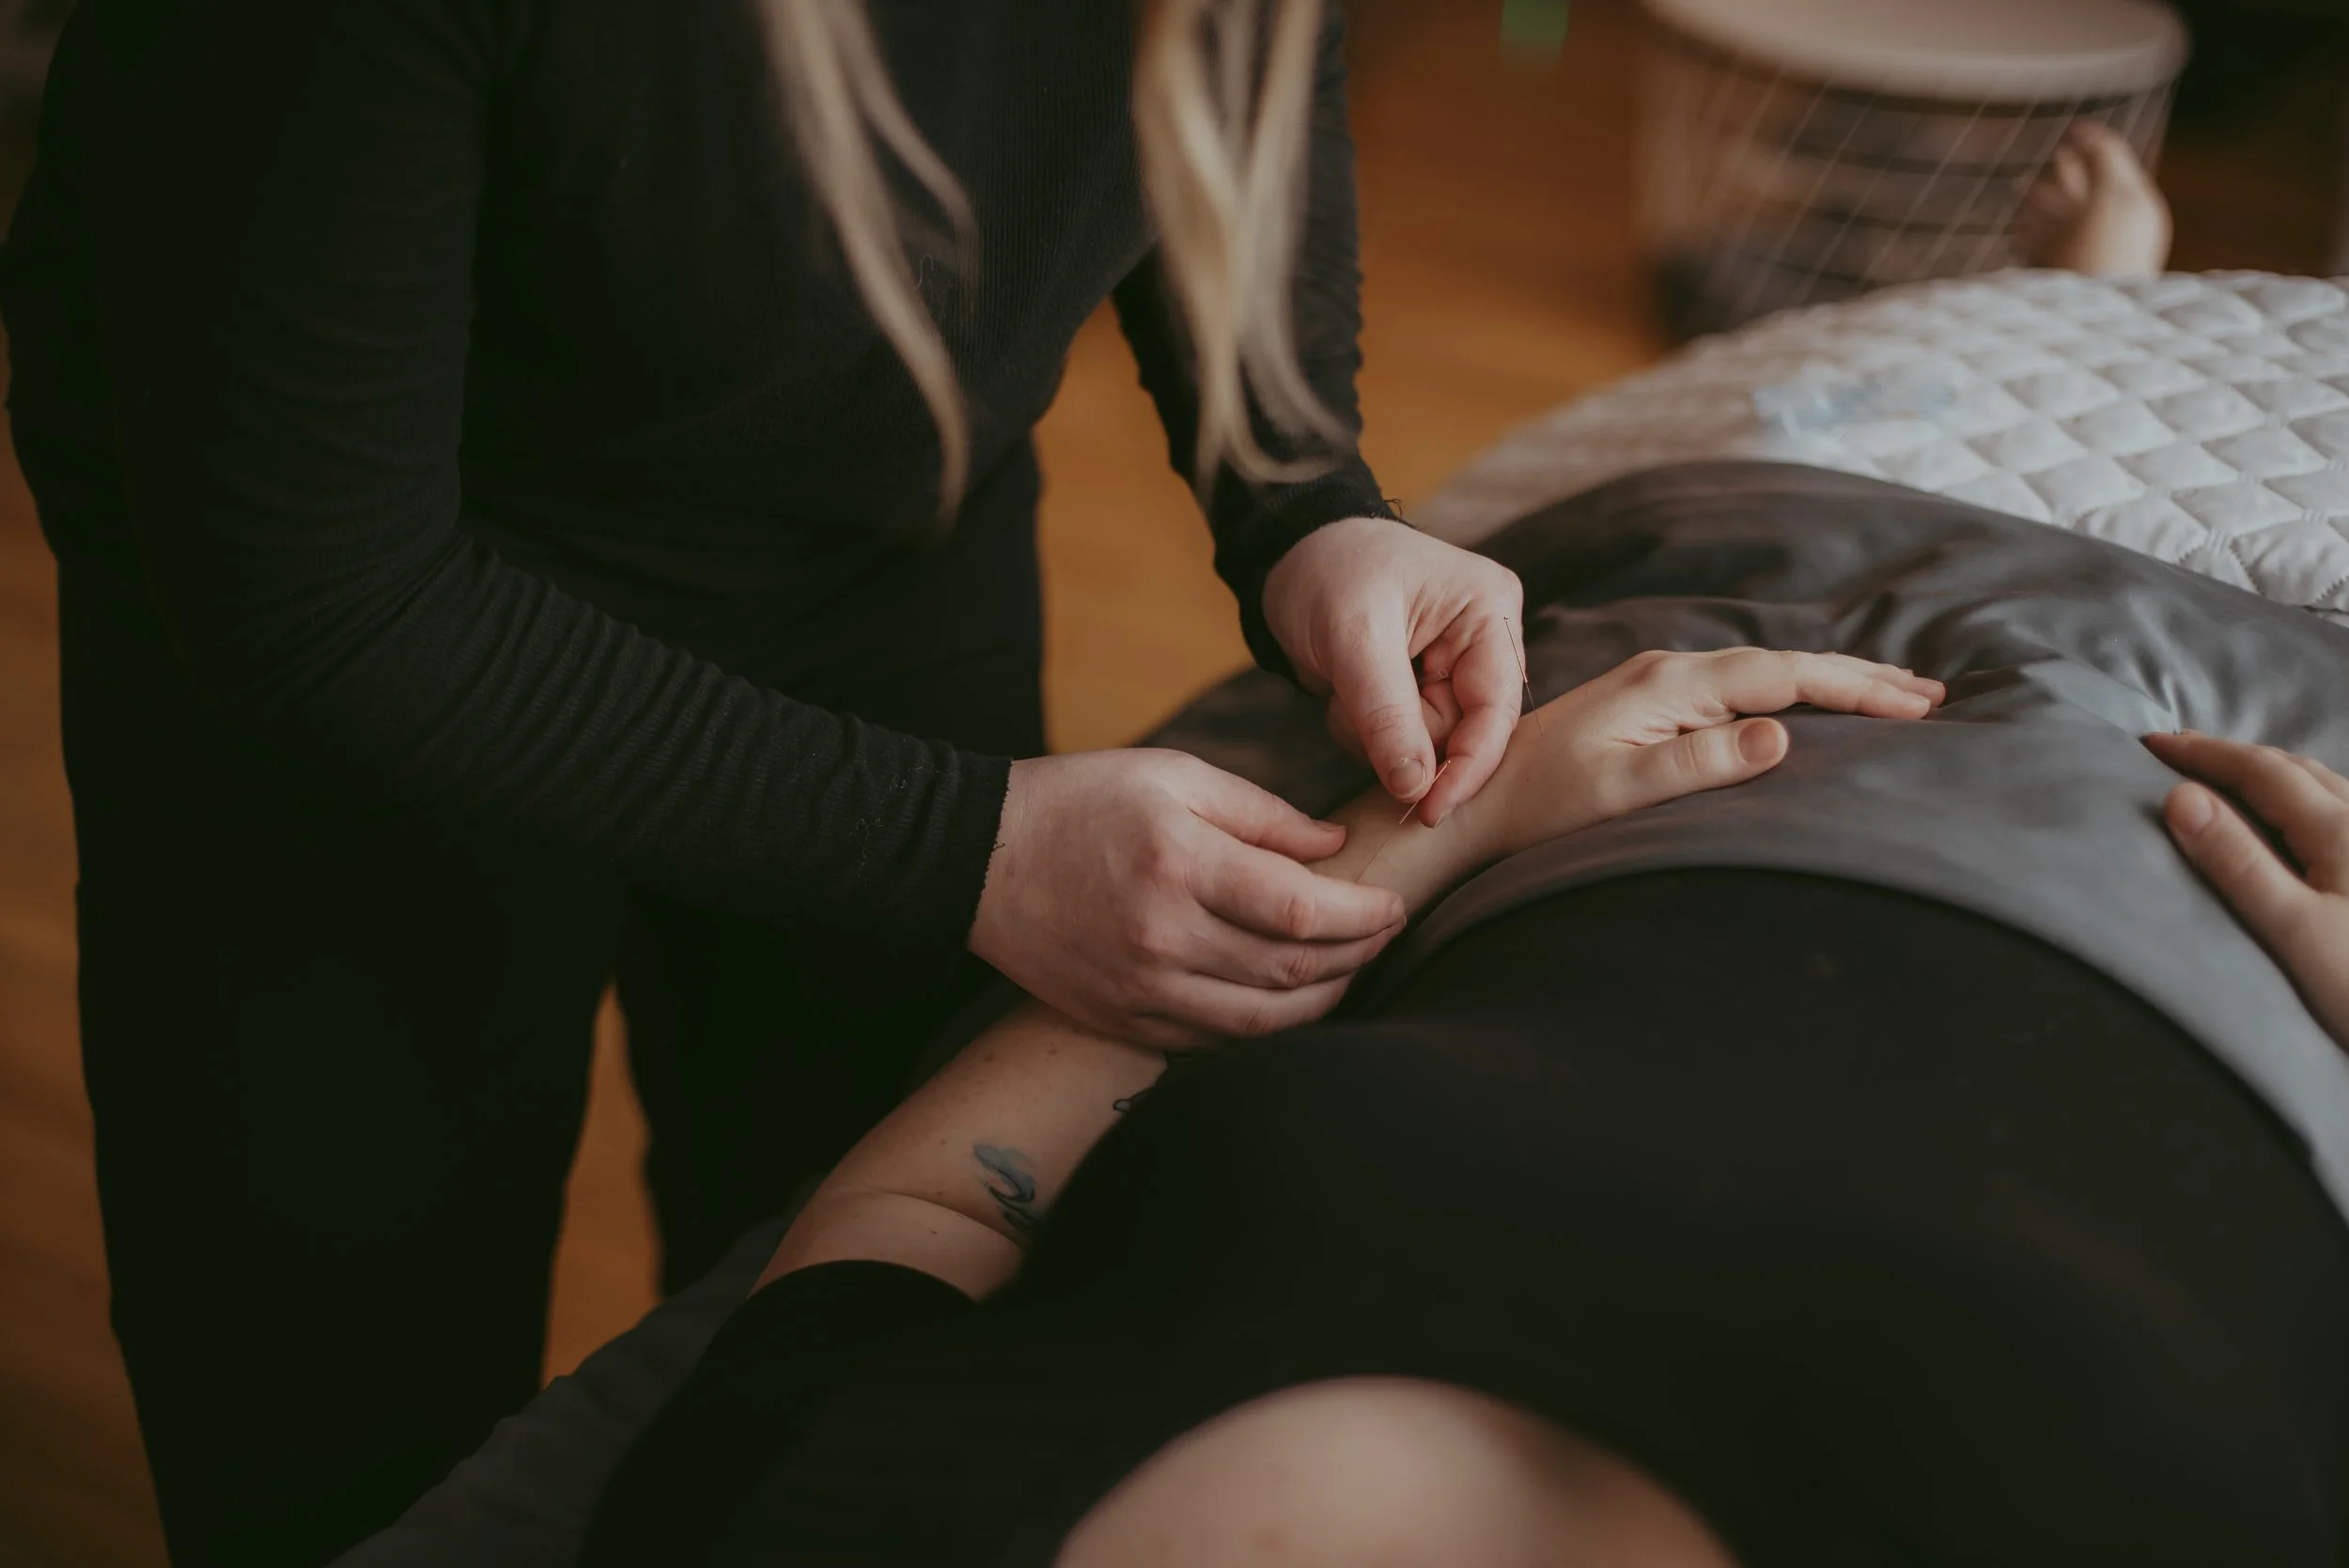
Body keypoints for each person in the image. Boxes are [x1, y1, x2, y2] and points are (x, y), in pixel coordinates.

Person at [0, 1, 1532, 1562]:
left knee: (831, 1241)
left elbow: (1221, 65)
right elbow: (324, 598)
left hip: (869, 529)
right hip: (342, 661)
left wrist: (1304, 499)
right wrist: (971, 852)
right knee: (342, 1408)